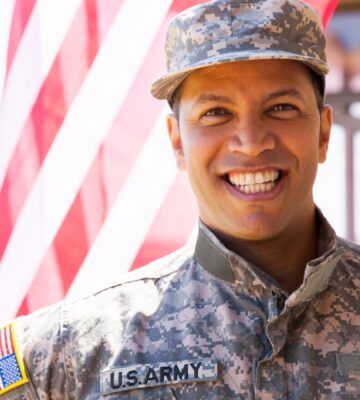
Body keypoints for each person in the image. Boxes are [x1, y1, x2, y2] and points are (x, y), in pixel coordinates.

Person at [1, 0, 360, 398]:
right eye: (216, 112)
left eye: (281, 108)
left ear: (323, 132)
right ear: (176, 141)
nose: (251, 143)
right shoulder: (61, 358)